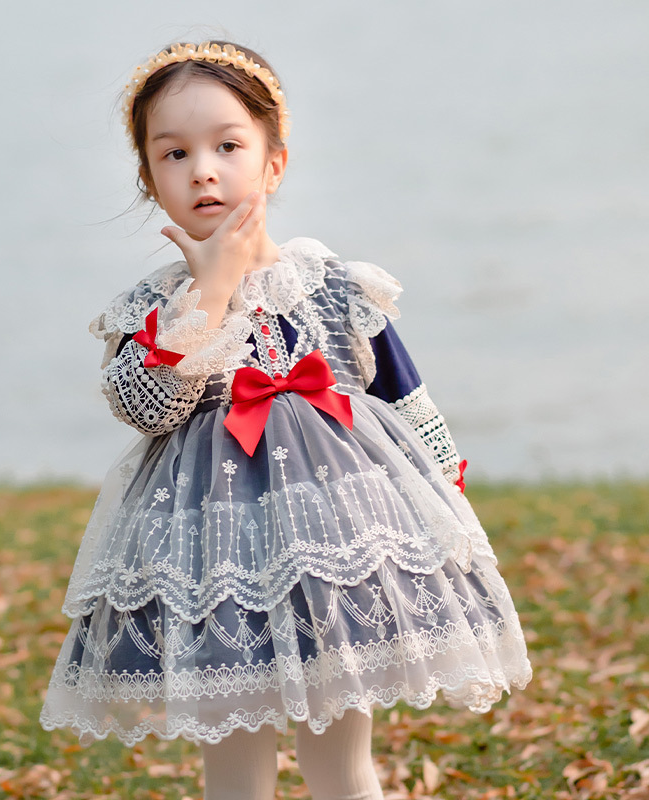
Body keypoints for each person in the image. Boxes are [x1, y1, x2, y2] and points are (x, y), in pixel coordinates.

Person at [40, 41, 532, 800]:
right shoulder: (153, 310)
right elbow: (144, 406)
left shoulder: (334, 286)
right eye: (174, 154)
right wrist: (208, 297)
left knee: (342, 761)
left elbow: (409, 401)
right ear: (148, 178)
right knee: (235, 768)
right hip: (214, 562)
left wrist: (448, 508)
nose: (203, 170)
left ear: (273, 163)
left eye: (228, 146)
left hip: (337, 551)